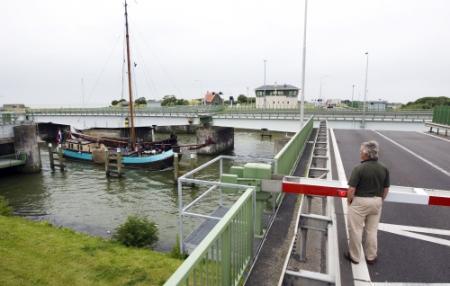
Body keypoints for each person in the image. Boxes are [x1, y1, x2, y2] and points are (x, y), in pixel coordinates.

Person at [345, 140, 390, 265]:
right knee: (372, 230)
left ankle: (354, 256)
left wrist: (350, 201)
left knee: (356, 230)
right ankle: (371, 256)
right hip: (377, 201)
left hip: (360, 201)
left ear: (366, 153)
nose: (360, 153)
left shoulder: (359, 168)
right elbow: (386, 189)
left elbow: (351, 189)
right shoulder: (384, 168)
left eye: (361, 151)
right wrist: (380, 200)